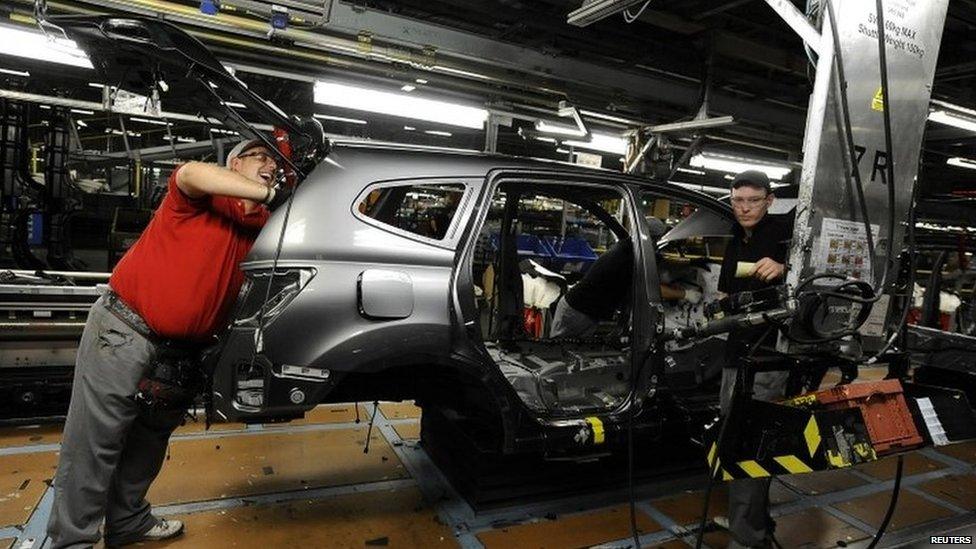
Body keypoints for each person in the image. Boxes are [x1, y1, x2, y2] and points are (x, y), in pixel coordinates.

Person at [48, 139, 287, 548]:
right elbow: (190, 172)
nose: (270, 167)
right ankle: (73, 541)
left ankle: (128, 522)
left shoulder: (263, 227)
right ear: (234, 163)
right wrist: (271, 193)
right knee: (95, 443)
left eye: (276, 164)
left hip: (180, 354)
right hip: (125, 331)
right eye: (260, 157)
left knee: (148, 442)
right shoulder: (201, 198)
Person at [715, 169, 794, 549]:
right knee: (733, 439)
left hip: (766, 357)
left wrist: (786, 270)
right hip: (736, 354)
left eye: (752, 200)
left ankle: (746, 538)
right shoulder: (735, 237)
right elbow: (725, 293)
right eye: (737, 201)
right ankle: (751, 522)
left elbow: (825, 271)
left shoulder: (786, 232)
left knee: (749, 443)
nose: (744, 208)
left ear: (769, 200)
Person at [550, 218, 702, 338]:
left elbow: (657, 264)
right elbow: (651, 288)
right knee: (559, 355)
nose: (657, 245)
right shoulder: (628, 256)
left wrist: (690, 264)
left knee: (575, 356)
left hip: (586, 312)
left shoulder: (630, 247)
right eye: (657, 240)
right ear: (649, 238)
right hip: (577, 312)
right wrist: (686, 294)